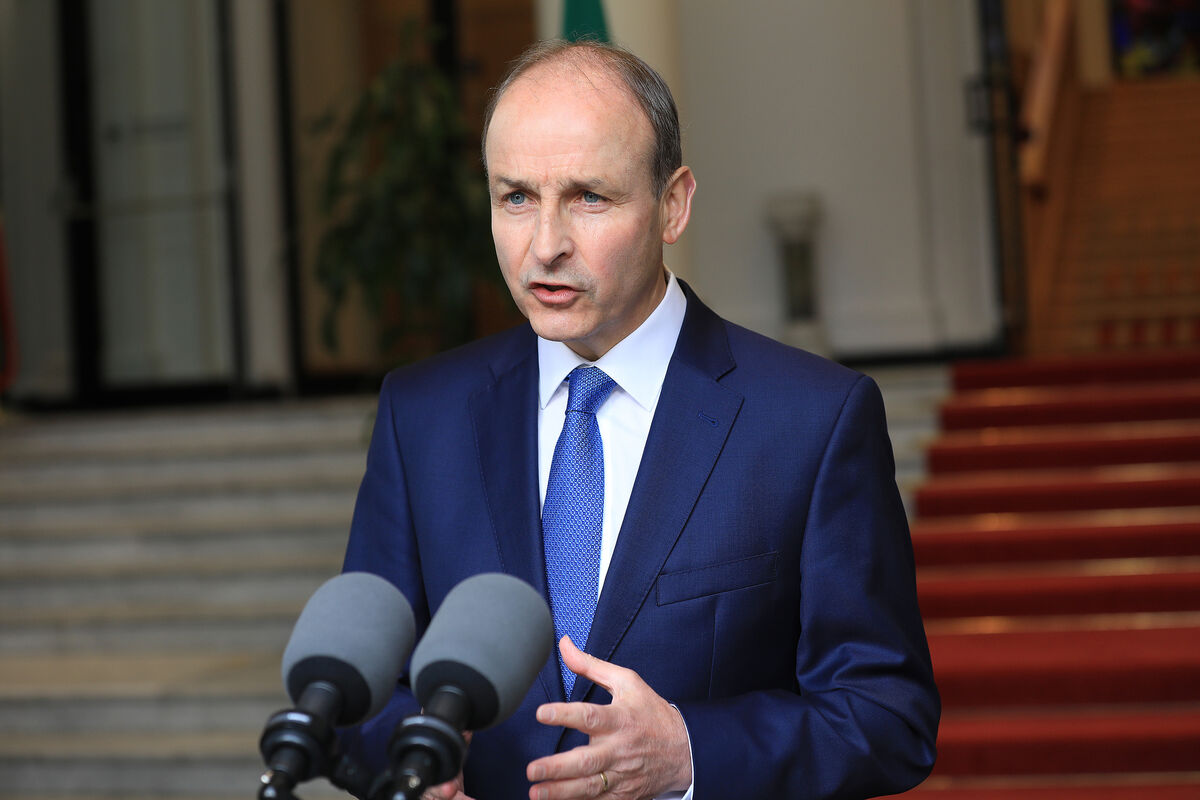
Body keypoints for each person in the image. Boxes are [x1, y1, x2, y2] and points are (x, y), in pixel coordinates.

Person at [340, 39, 939, 800]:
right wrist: (410, 764)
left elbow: (888, 719)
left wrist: (690, 753)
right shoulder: (422, 415)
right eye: (515, 197)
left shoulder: (813, 421)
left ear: (673, 204)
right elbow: (355, 692)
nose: (546, 245)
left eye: (590, 197)